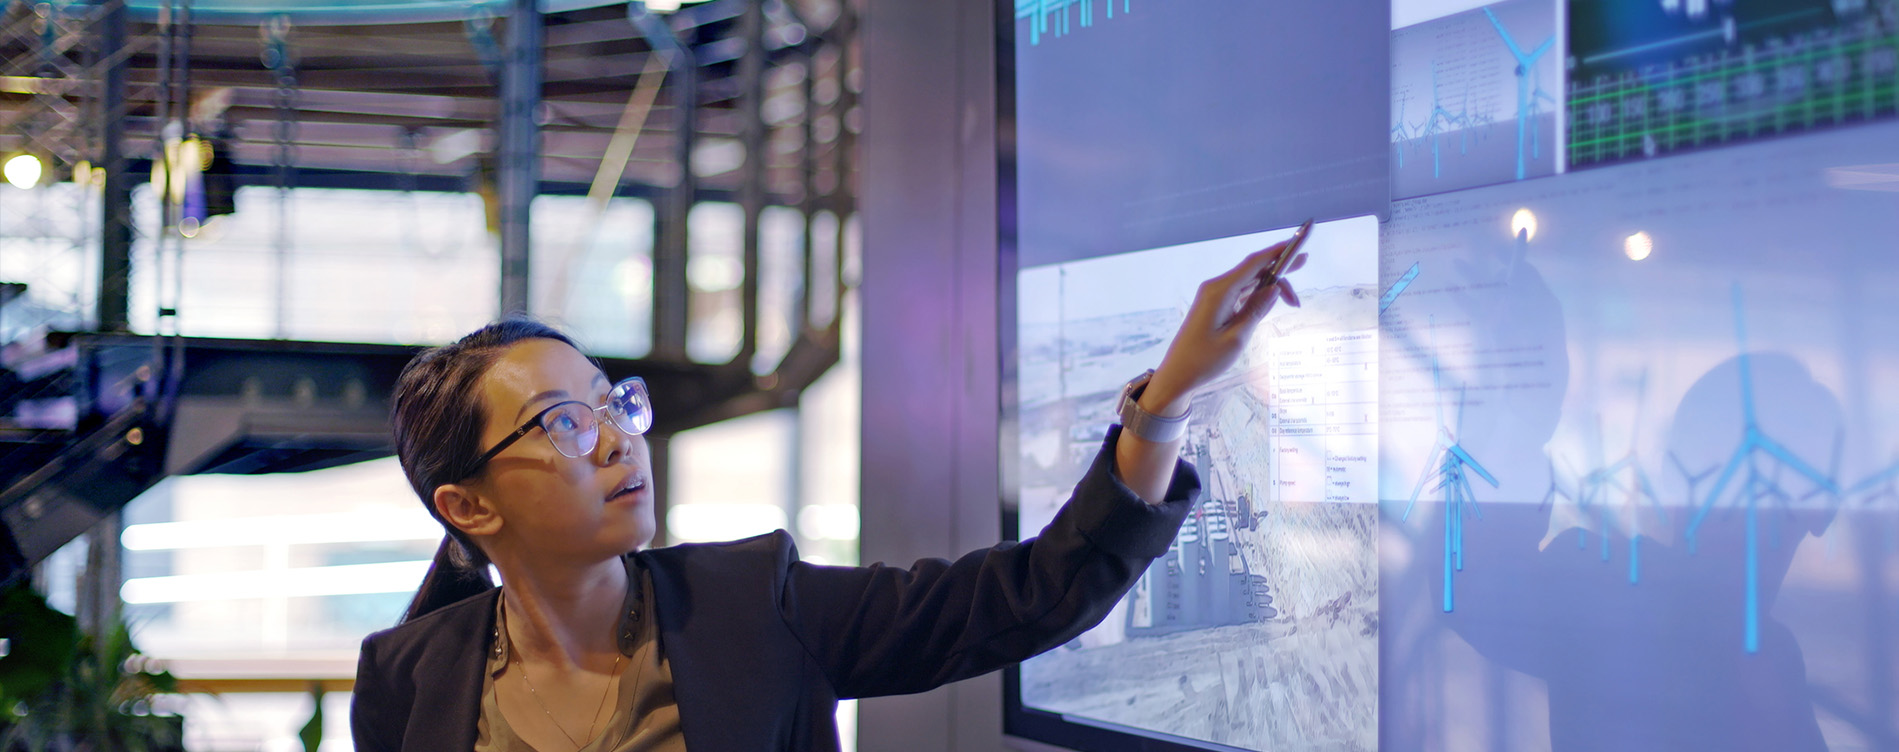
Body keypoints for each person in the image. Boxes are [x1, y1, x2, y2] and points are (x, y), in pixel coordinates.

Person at [349, 242, 1307, 752]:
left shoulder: (753, 606)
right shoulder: (408, 678)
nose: (616, 438)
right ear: (468, 508)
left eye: (613, 403)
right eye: (564, 422)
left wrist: (1162, 406)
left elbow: (1032, 593)